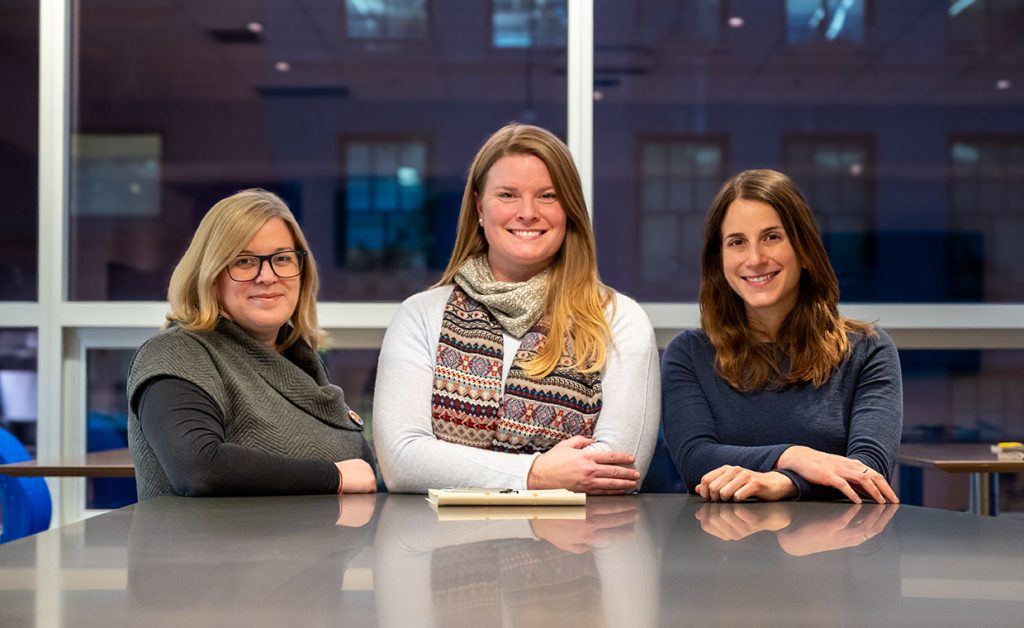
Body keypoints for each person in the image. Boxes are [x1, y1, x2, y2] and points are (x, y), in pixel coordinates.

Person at [373, 123, 659, 494]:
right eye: (507, 195)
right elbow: (402, 461)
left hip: (578, 546)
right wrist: (535, 473)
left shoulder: (619, 319)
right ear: (479, 207)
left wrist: (456, 467)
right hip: (437, 546)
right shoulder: (421, 316)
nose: (527, 213)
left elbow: (620, 469)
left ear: (569, 209)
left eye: (547, 196)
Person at [662, 169, 902, 503]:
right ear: (720, 260)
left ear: (804, 250)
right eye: (737, 242)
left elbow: (868, 471)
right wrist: (794, 456)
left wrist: (784, 483)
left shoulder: (868, 351)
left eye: (772, 237)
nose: (755, 259)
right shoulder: (688, 354)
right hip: (723, 548)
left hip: (838, 548)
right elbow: (695, 461)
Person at [126, 189, 376, 499]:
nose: (267, 276)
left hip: (322, 545)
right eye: (244, 261)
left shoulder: (300, 361)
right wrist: (335, 476)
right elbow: (199, 468)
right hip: (209, 548)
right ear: (211, 276)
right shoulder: (177, 353)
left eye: (282, 258)